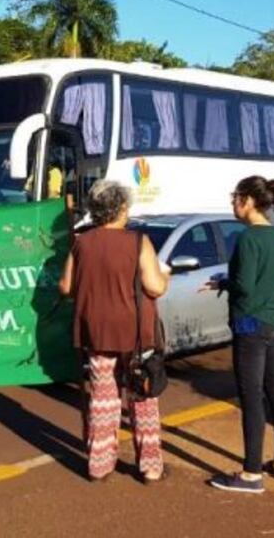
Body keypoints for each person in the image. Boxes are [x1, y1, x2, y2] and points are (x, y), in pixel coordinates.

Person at [58, 180, 171, 483]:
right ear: (122, 208)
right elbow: (155, 286)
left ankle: (99, 464)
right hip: (136, 336)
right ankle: (149, 466)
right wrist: (166, 276)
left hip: (96, 332)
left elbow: (66, 286)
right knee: (142, 398)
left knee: (102, 399)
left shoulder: (81, 243)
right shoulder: (138, 242)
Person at [205, 176, 274, 494]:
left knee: (251, 396)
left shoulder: (247, 238)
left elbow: (244, 285)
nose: (232, 204)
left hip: (250, 325)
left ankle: (251, 473)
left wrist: (227, 283)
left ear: (247, 201)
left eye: (234, 197)